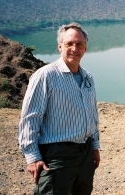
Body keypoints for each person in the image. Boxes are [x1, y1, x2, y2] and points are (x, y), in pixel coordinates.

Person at [19, 22, 101, 194]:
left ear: (85, 48)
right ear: (60, 46)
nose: (74, 48)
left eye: (79, 44)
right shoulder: (45, 76)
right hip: (57, 155)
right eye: (69, 43)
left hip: (84, 153)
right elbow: (30, 117)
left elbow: (92, 113)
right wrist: (32, 157)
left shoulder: (87, 77)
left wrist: (94, 146)